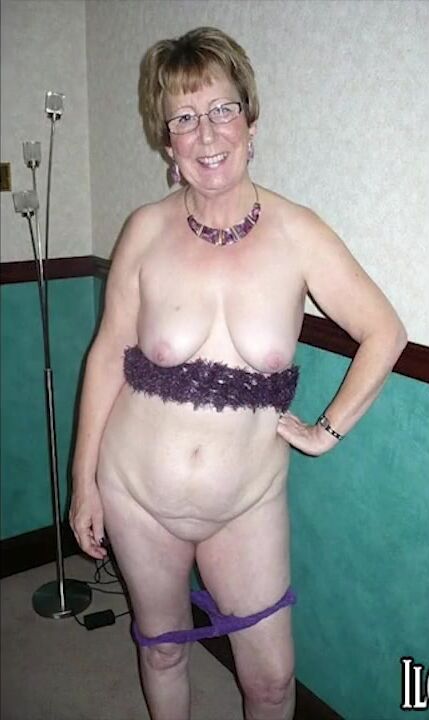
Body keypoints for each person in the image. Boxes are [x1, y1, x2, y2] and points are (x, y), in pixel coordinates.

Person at [69, 26, 407, 720]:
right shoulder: (144, 230)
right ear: (168, 143)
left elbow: (385, 332)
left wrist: (325, 432)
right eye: (184, 118)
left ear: (251, 121)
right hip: (135, 493)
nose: (206, 133)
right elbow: (106, 355)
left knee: (273, 682)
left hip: (247, 504)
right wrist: (83, 483)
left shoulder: (298, 232)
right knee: (163, 651)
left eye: (222, 109)